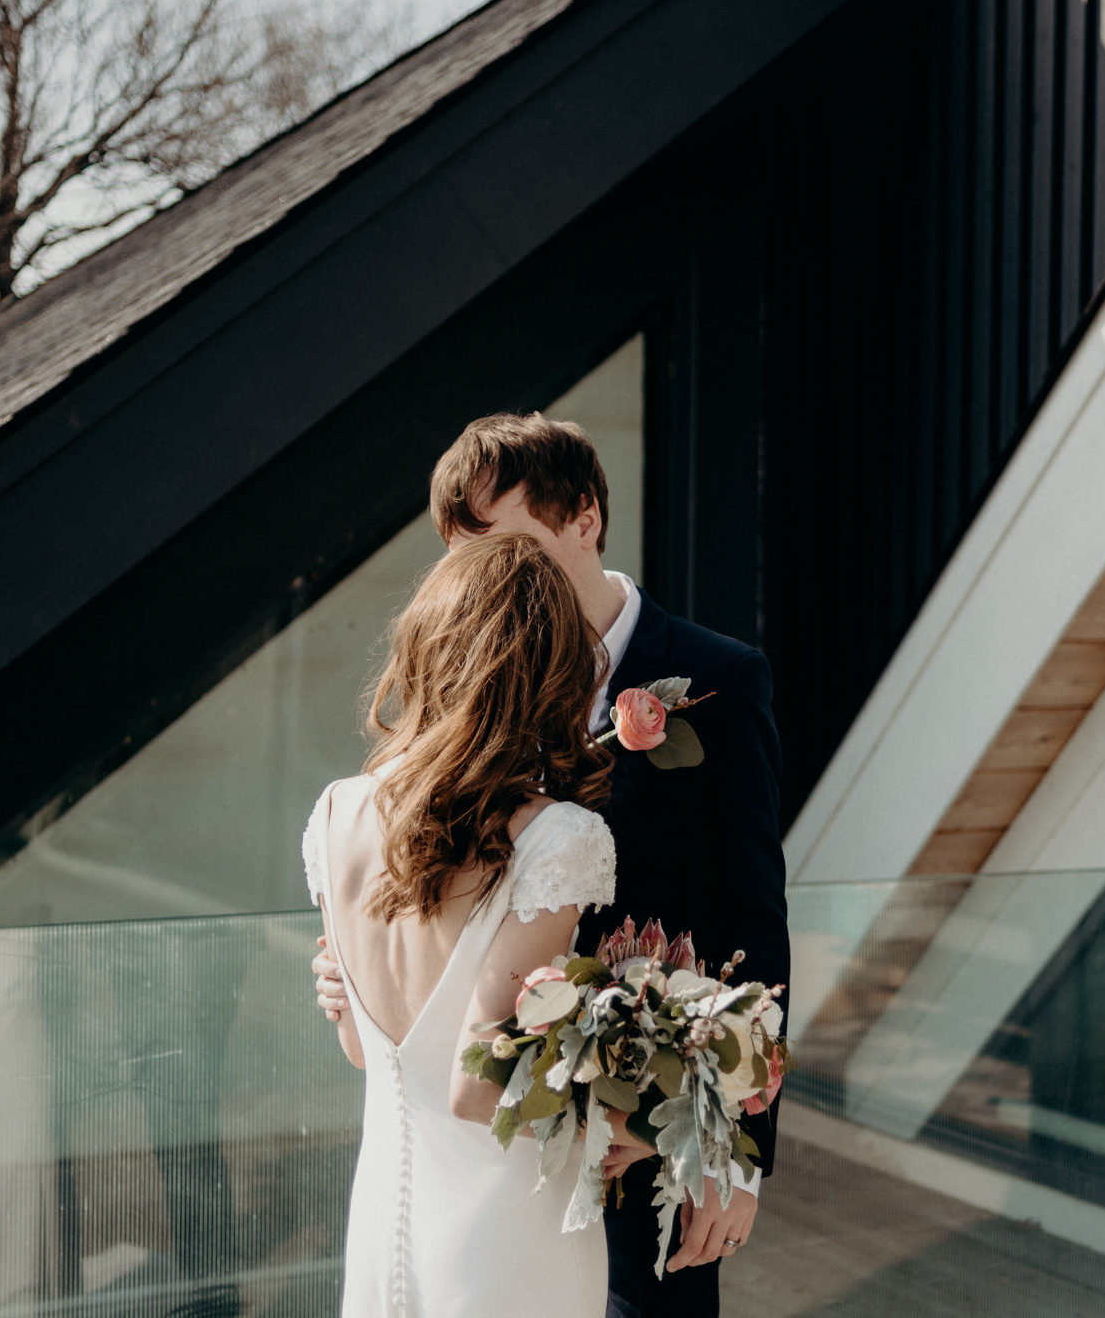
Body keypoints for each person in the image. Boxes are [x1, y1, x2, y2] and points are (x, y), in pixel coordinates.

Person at [315, 413, 789, 1318]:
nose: (489, 581)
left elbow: (752, 929)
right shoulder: (461, 692)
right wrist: (358, 974)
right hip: (499, 1152)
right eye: (466, 558)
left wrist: (725, 1145)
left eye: (511, 546)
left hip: (647, 1146)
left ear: (585, 518)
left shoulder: (721, 678)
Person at [304, 532, 650, 1317]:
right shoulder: (557, 838)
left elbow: (363, 1047)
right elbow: (478, 1085)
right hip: (507, 1239)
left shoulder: (334, 812)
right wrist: (638, 1116)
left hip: (384, 1222)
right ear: (548, 671)